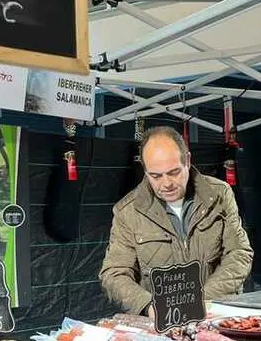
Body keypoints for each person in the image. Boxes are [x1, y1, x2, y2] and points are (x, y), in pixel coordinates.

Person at [99, 126, 253, 316]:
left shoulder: (219, 194)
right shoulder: (128, 212)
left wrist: (202, 300)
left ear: (187, 161)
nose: (167, 183)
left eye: (174, 172)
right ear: (145, 170)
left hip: (215, 315)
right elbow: (114, 274)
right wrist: (149, 306)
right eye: (156, 176)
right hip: (161, 324)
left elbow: (239, 252)